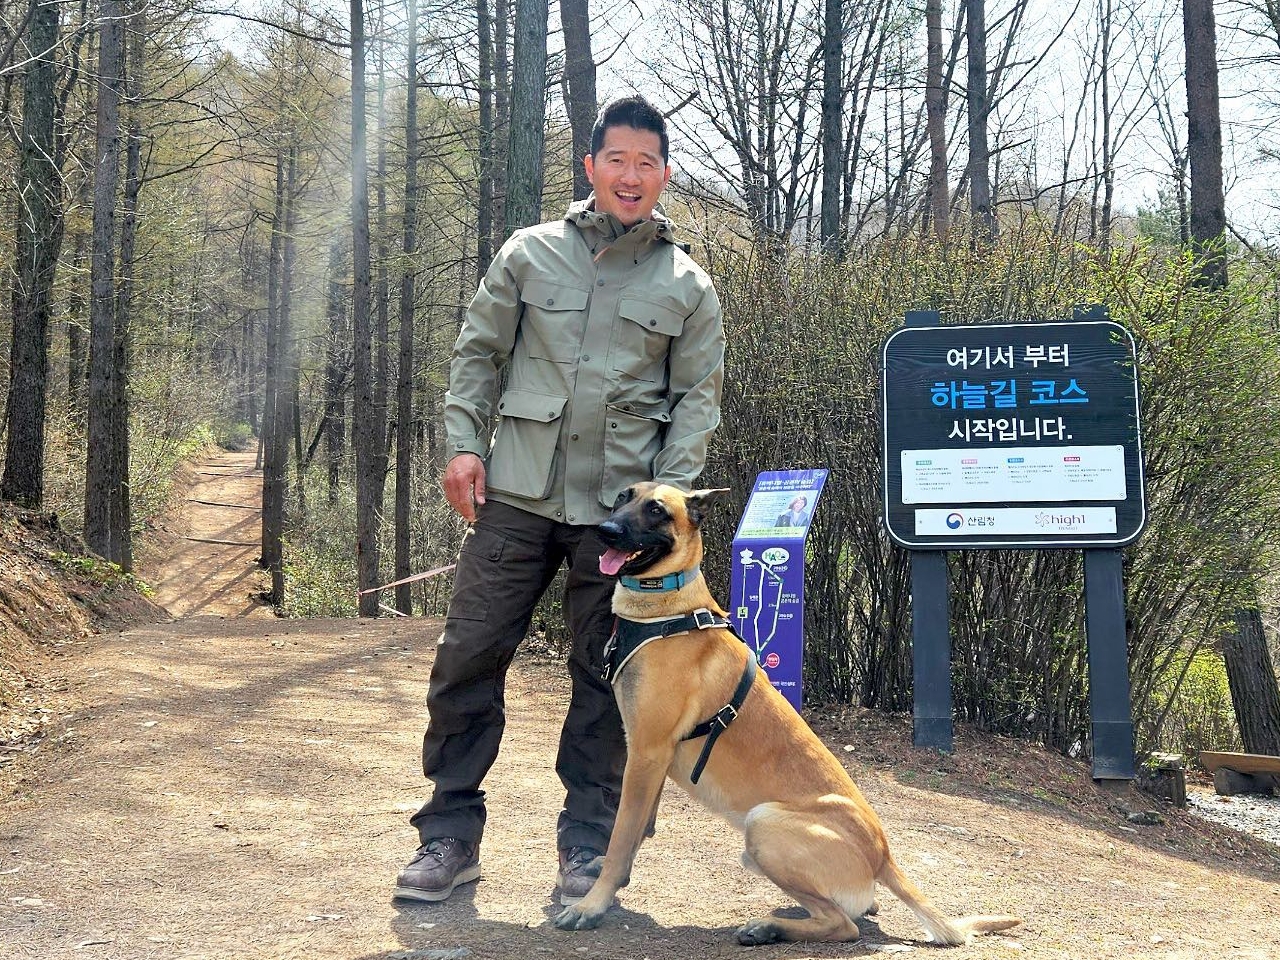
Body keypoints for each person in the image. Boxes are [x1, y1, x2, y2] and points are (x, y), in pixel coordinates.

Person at [394, 95, 725, 907]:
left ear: (666, 175)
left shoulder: (687, 285)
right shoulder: (530, 253)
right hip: (520, 495)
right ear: (591, 166)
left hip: (617, 519)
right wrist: (464, 444)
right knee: (468, 655)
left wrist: (665, 501)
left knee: (609, 680)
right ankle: (448, 835)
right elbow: (479, 352)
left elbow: (697, 402)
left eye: (648, 163)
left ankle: (591, 852)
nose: (631, 175)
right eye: (617, 159)